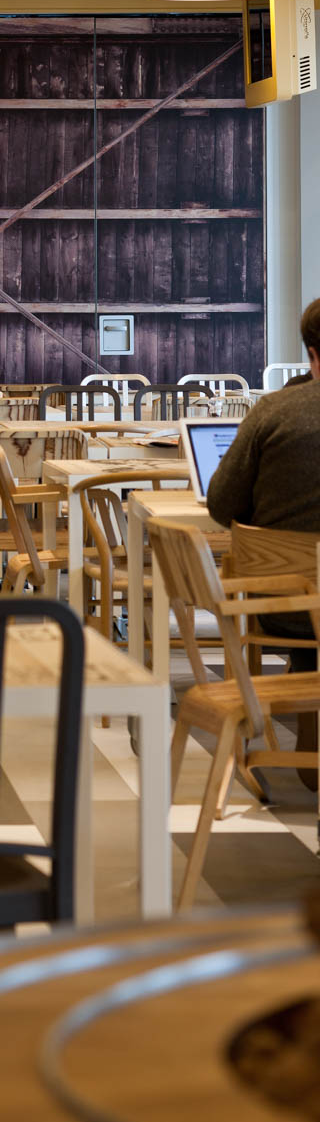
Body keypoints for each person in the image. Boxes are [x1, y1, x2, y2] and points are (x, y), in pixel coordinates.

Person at [207, 298, 320, 780]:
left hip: (286, 607)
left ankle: (308, 744)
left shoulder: (273, 411)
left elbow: (221, 505)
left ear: (311, 353)